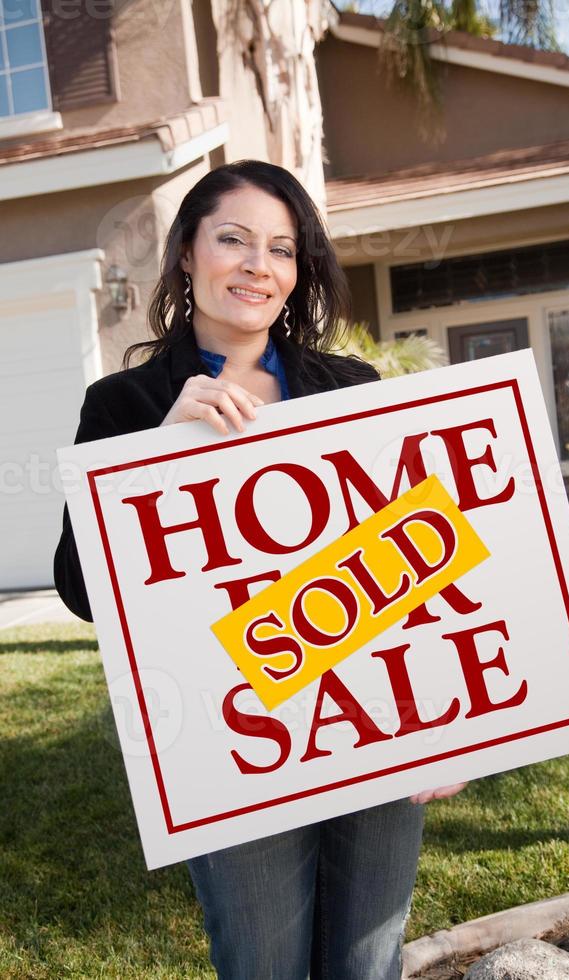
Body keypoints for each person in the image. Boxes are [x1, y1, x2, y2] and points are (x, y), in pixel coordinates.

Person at [53, 159, 466, 980]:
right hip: (231, 735)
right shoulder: (125, 406)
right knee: (263, 965)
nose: (256, 265)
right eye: (233, 239)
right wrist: (159, 457)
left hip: (372, 715)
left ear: (296, 273)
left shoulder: (350, 388)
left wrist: (441, 725)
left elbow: (415, 568)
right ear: (186, 256)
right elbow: (79, 588)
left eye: (281, 249)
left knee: (367, 964)